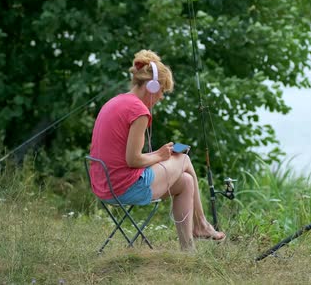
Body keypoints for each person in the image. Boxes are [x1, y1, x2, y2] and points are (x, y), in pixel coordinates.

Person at [89, 49, 225, 251]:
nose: (161, 97)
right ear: (151, 86)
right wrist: (160, 156)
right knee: (185, 160)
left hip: (103, 184)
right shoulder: (138, 111)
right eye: (162, 90)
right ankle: (202, 225)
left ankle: (188, 250)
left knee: (186, 182)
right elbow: (133, 160)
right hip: (124, 188)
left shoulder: (115, 101)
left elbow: (126, 157)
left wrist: (159, 154)